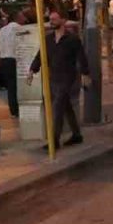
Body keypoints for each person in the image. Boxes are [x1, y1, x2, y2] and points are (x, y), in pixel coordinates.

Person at [27, 9, 90, 149]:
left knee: (57, 108)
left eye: (55, 19)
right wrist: (32, 70)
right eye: (51, 19)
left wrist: (85, 74)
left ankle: (54, 140)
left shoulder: (72, 39)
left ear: (63, 21)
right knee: (65, 106)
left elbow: (81, 57)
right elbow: (40, 56)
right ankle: (76, 134)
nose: (52, 21)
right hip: (53, 77)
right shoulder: (48, 39)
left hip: (67, 77)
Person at [0, 9, 25, 118]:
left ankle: (13, 110)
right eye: (22, 16)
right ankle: (18, 109)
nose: (24, 18)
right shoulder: (20, 29)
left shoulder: (2, 30)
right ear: (17, 17)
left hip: (4, 59)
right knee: (18, 85)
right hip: (15, 59)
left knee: (11, 86)